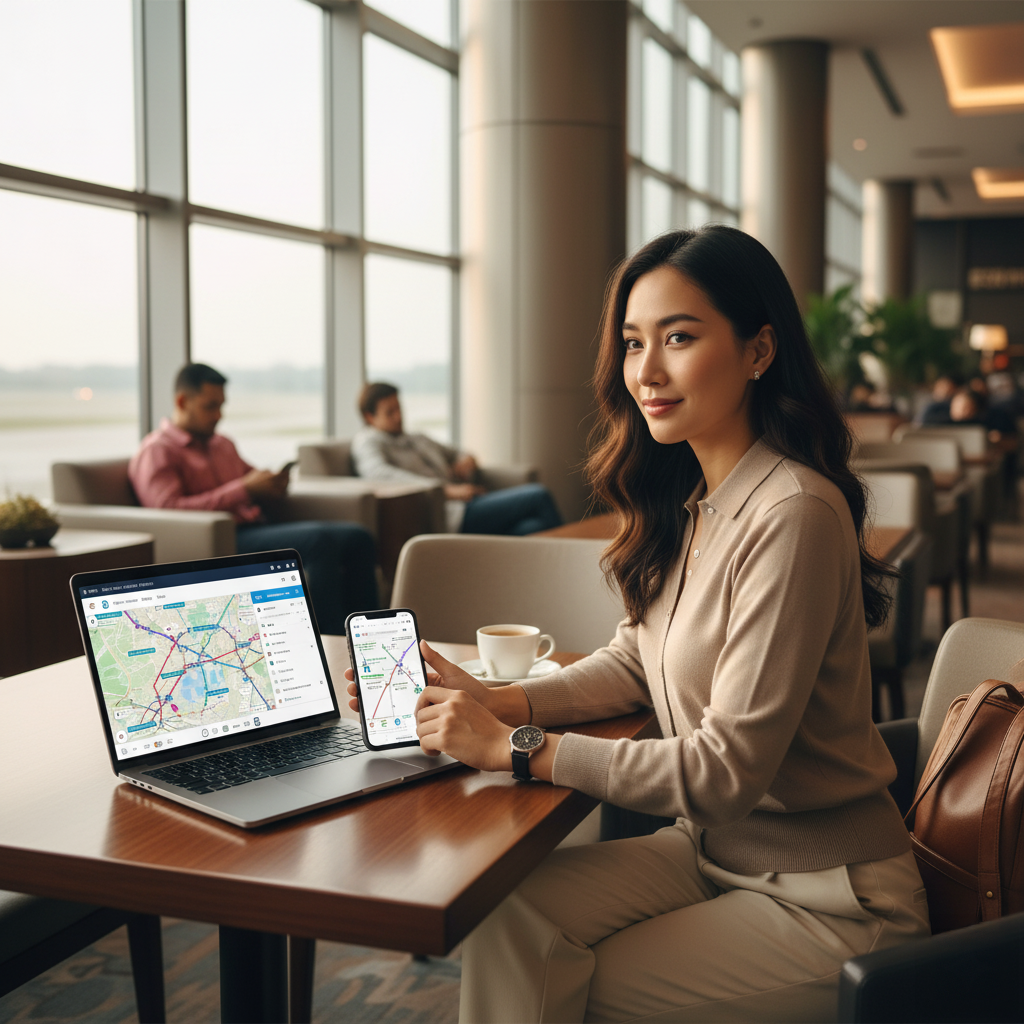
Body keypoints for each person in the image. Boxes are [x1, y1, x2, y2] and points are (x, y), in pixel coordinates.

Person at [347, 227, 931, 1022]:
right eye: (632, 343)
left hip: (829, 895)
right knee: (506, 919)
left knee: (570, 986)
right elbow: (633, 660)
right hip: (711, 851)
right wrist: (494, 701)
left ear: (759, 351)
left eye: (678, 338)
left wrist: (518, 748)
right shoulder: (697, 502)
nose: (646, 371)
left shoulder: (792, 512)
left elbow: (725, 773)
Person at [129, 363, 378, 634]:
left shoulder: (222, 444)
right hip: (222, 540)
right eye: (210, 406)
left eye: (221, 406)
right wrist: (244, 489)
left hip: (257, 527)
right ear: (182, 402)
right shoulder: (157, 450)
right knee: (319, 542)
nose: (218, 415)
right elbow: (167, 509)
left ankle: (369, 634)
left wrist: (271, 484)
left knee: (358, 537)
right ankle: (332, 637)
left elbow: (251, 479)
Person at [352, 382, 563, 535]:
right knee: (538, 495)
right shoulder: (368, 442)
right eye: (390, 412)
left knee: (532, 528)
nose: (398, 416)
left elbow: (458, 452)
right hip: (450, 513)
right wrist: (444, 491)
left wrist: (467, 461)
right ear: (370, 417)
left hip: (468, 501)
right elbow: (380, 475)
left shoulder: (416, 438)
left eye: (399, 408)